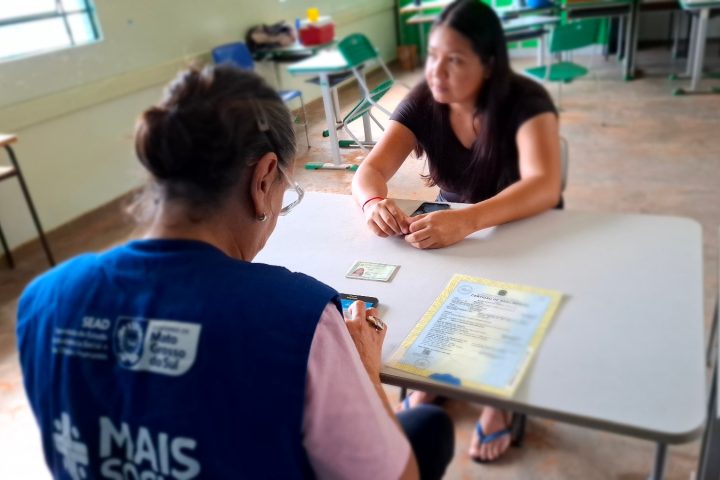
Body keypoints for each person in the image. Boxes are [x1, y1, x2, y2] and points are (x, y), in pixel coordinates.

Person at [17, 65, 454, 479]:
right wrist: (363, 371)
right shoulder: (299, 318)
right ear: (264, 179)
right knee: (427, 428)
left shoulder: (45, 299)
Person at [352, 0, 561, 463]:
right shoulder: (424, 102)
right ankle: (436, 380)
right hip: (460, 226)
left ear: (488, 65)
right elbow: (369, 170)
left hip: (527, 227)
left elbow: (544, 185)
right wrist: (373, 202)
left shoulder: (525, 101)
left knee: (503, 302)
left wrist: (466, 219)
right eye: (432, 56)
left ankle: (496, 402)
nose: (436, 72)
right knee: (440, 292)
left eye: (454, 60)